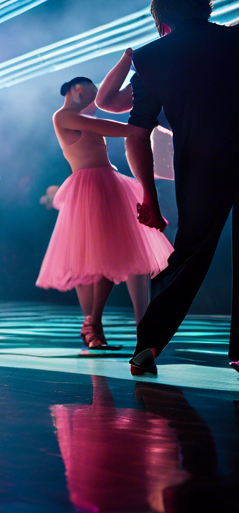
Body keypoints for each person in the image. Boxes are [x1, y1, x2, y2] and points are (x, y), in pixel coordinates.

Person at [119, 0, 239, 376]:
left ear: (162, 23)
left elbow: (137, 133)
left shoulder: (152, 58)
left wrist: (149, 197)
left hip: (204, 166)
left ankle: (148, 344)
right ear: (203, 9)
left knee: (189, 254)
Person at [38, 72, 171, 350]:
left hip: (108, 184)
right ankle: (94, 324)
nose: (95, 99)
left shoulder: (80, 118)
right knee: (100, 260)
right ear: (76, 90)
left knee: (114, 258)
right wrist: (136, 128)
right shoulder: (62, 116)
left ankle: (102, 325)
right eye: (91, 92)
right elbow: (101, 126)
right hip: (90, 188)